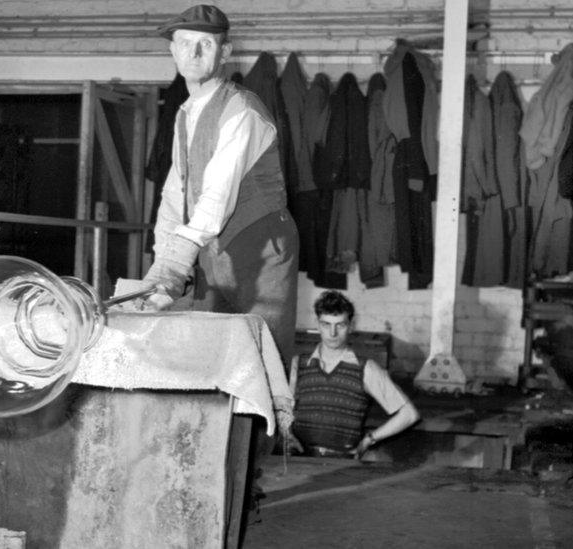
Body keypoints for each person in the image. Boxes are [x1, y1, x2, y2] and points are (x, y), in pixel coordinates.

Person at [143, 4, 300, 369]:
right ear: (173, 50)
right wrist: (159, 267)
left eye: (206, 44)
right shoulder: (186, 113)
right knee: (209, 359)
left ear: (225, 52)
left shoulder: (242, 108)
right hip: (214, 251)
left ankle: (272, 427)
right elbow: (174, 196)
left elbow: (217, 195)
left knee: (262, 362)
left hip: (259, 249)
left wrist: (173, 269)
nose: (194, 53)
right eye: (185, 43)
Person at [281, 290, 419, 458]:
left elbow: (409, 414)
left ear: (351, 326)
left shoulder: (366, 368)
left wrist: (369, 439)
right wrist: (287, 434)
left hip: (342, 463)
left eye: (340, 325)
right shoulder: (299, 364)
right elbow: (282, 411)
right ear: (318, 325)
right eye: (326, 324)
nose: (333, 333)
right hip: (299, 459)